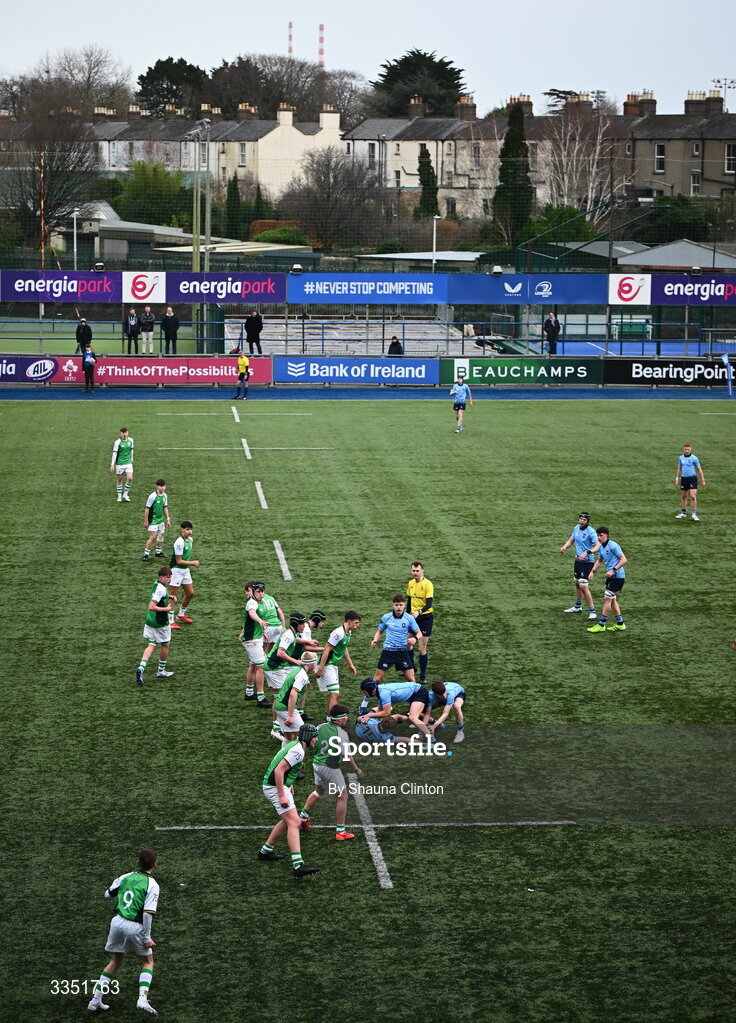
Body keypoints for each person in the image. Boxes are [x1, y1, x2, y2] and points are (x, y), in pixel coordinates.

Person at [86, 848, 160, 1016]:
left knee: (115, 961)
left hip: (117, 923)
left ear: (137, 862)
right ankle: (142, 998)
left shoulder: (125, 877)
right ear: (154, 865)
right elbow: (148, 913)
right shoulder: (152, 885)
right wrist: (147, 938)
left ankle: (95, 1000)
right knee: (147, 962)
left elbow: (107, 895)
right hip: (135, 927)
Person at [258, 724, 320, 878]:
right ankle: (298, 865)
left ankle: (265, 851)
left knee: (288, 821)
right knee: (295, 822)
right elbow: (279, 770)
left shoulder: (297, 746)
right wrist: (281, 795)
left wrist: (288, 784)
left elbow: (283, 768)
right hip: (274, 787)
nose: (316, 739)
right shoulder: (298, 750)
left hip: (276, 786)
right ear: (307, 737)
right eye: (314, 736)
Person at [299, 705, 363, 840]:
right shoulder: (341, 734)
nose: (347, 718)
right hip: (330, 767)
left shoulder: (320, 726)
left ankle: (302, 819)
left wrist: (301, 761)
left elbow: (309, 744)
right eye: (345, 715)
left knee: (318, 791)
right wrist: (356, 769)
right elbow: (347, 757)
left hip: (316, 764)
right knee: (342, 796)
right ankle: (340, 831)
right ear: (339, 720)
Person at [265, 612, 319, 738]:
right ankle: (276, 727)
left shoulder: (292, 634)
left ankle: (279, 725)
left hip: (277, 667)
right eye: (301, 624)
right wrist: (297, 662)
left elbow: (296, 639)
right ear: (296, 624)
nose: (304, 626)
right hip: (274, 667)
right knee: (280, 697)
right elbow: (280, 653)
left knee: (280, 695)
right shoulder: (289, 635)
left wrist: (307, 641)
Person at [314, 611, 361, 714]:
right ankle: (332, 718)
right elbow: (327, 650)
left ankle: (331, 717)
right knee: (335, 693)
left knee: (334, 694)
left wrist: (350, 665)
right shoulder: (338, 633)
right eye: (356, 623)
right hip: (327, 665)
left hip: (332, 665)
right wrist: (320, 669)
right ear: (349, 622)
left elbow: (344, 648)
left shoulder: (348, 632)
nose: (358, 625)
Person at [136, 566, 176, 685]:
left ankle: (141, 668)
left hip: (150, 620)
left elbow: (158, 596)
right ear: (161, 577)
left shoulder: (156, 584)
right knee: (165, 644)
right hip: (160, 622)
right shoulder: (161, 589)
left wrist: (169, 597)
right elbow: (152, 606)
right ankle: (161, 671)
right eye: (168, 577)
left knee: (152, 644)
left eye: (171, 577)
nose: (170, 579)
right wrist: (167, 608)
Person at [370, 593, 420, 686]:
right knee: (377, 679)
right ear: (393, 605)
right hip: (388, 651)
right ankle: (366, 699)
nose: (398, 607)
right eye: (396, 605)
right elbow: (379, 631)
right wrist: (375, 640)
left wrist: (415, 638)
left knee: (412, 680)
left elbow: (419, 633)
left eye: (401, 605)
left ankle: (415, 699)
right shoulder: (386, 617)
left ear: (404, 605)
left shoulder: (409, 618)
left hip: (402, 651)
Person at [559, 512, 600, 620]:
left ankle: (593, 612)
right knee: (577, 583)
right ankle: (578, 606)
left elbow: (598, 546)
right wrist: (565, 546)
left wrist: (587, 553)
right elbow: (571, 539)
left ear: (587, 521)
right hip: (578, 561)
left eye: (584, 520)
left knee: (583, 586)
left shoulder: (591, 532)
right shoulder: (576, 528)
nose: (581, 521)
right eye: (580, 519)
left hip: (587, 562)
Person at [358, 678, 433, 737]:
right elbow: (379, 711)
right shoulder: (379, 692)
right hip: (414, 693)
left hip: (418, 692)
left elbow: (386, 713)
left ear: (369, 690)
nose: (364, 694)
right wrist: (377, 728)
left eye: (364, 692)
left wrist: (369, 715)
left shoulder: (383, 693)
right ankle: (433, 721)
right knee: (416, 716)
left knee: (412, 717)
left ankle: (432, 740)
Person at [587, 527, 628, 633]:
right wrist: (592, 571)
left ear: (607, 535)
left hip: (617, 576)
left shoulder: (613, 545)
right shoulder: (601, 547)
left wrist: (613, 570)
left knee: (607, 598)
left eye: (601, 535)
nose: (599, 537)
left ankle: (602, 624)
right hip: (611, 577)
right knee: (612, 599)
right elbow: (600, 560)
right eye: (598, 535)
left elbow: (624, 560)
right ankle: (620, 624)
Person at [239, 582, 272, 707]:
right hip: (252, 641)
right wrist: (261, 621)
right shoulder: (252, 603)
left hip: (255, 638)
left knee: (253, 665)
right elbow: (252, 614)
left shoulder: (259, 602)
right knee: (261, 667)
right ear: (253, 592)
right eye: (258, 591)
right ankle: (260, 697)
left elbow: (250, 620)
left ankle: (249, 693)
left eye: (262, 591)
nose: (261, 593)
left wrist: (262, 630)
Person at [168, 521, 199, 630]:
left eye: (190, 529)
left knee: (190, 593)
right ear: (182, 530)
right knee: (173, 596)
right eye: (187, 529)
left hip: (185, 570)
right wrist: (193, 563)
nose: (189, 532)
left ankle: (181, 614)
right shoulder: (179, 543)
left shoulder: (190, 540)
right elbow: (179, 561)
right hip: (176, 570)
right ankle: (170, 621)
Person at [274, 660, 315, 741]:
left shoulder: (297, 670)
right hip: (285, 708)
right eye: (315, 662)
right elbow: (293, 694)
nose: (316, 664)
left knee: (288, 738)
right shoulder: (302, 676)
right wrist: (290, 716)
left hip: (279, 705)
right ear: (309, 663)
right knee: (304, 736)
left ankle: (284, 753)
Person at [406, 561, 434, 682]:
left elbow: (429, 604)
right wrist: (406, 616)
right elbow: (409, 600)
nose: (415, 573)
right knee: (407, 644)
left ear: (422, 571)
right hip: (413, 618)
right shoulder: (411, 583)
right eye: (413, 571)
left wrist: (419, 612)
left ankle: (423, 676)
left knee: (421, 648)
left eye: (417, 571)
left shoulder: (428, 584)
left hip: (425, 618)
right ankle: (412, 667)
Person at [675, 443, 706, 522]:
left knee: (692, 496)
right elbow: (679, 469)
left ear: (690, 449)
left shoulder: (694, 458)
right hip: (684, 479)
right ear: (683, 449)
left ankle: (694, 514)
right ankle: (683, 513)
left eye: (688, 449)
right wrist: (677, 479)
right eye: (685, 449)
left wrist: (702, 480)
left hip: (692, 479)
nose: (687, 450)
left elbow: (699, 469)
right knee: (684, 497)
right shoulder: (680, 458)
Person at [142, 479, 171, 561]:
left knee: (161, 535)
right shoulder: (152, 496)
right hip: (153, 520)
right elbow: (147, 509)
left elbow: (165, 507)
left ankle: (158, 552)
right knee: (153, 537)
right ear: (157, 486)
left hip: (160, 520)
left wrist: (168, 519)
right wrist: (146, 521)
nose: (162, 488)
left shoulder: (165, 496)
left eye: (163, 486)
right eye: (160, 486)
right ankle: (146, 554)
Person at [110, 427, 134, 502]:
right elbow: (114, 453)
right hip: (120, 464)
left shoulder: (131, 440)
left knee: (130, 478)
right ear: (120, 433)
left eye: (125, 432)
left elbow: (131, 451)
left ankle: (125, 494)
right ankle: (119, 495)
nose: (124, 434)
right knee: (120, 479)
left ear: (127, 433)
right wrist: (112, 464)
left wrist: (132, 459)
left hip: (128, 463)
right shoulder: (117, 442)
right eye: (123, 432)